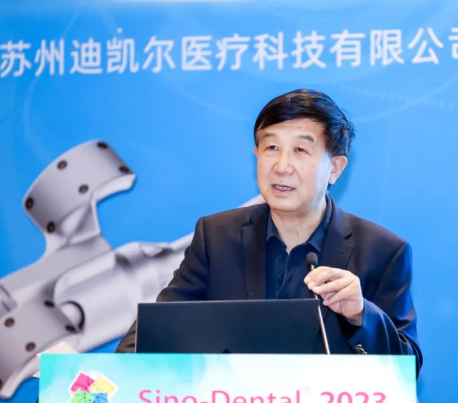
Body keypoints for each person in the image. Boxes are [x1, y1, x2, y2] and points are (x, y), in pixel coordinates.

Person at [116, 89, 422, 375]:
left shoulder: (382, 251)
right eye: (272, 148)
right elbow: (158, 328)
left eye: (300, 150)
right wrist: (115, 377)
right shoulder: (216, 236)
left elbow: (405, 370)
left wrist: (361, 316)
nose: (282, 166)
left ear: (335, 168)